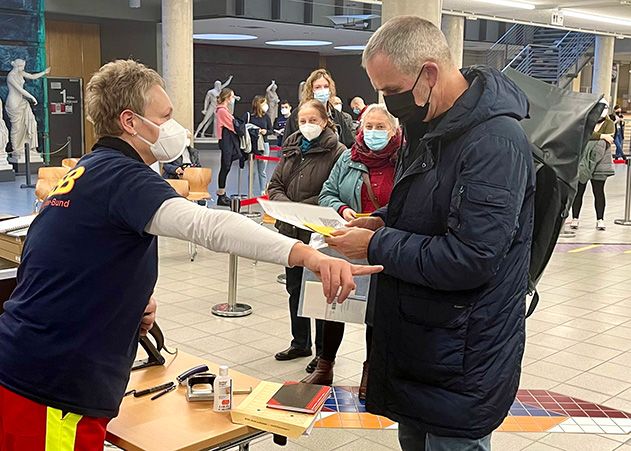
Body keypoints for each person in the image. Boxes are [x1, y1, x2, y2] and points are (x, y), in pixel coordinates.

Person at [0, 60, 381, 451]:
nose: (174, 127)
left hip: (35, 367)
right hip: (51, 387)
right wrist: (308, 256)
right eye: (164, 116)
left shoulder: (88, 170)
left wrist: (125, 300)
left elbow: (62, 259)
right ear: (130, 122)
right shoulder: (124, 177)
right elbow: (209, 226)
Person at [326, 16, 535, 450]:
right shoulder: (431, 129)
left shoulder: (495, 141)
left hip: (462, 357)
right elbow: (432, 205)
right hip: (424, 344)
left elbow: (472, 257)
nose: (388, 103)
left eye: (394, 92)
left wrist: (377, 244)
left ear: (430, 73)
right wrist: (383, 218)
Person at [303, 104, 401, 399]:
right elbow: (328, 193)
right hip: (345, 240)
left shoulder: (404, 160)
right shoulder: (348, 157)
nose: (372, 133)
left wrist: (378, 221)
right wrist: (343, 209)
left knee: (377, 309)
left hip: (381, 243)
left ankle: (371, 369)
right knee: (333, 303)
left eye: (380, 127)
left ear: (394, 130)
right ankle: (325, 363)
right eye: (368, 127)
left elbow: (409, 202)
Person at [268, 99, 346, 372]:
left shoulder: (337, 151)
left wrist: (301, 210)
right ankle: (300, 342)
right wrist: (286, 207)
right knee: (295, 288)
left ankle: (324, 353)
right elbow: (275, 184)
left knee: (319, 292)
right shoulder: (290, 147)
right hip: (289, 231)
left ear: (325, 121)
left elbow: (332, 191)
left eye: (313, 120)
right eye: (303, 121)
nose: (307, 126)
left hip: (318, 233)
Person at [570, 99, 615, 231]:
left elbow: (610, 138)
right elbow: (583, 135)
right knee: (579, 191)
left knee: (599, 192)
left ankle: (600, 219)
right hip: (583, 161)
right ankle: (575, 218)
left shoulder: (609, 123)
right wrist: (602, 136)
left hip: (601, 163)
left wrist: (596, 137)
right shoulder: (587, 121)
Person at [282, 69, 355, 147]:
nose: (322, 90)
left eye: (326, 86)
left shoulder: (336, 115)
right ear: (311, 90)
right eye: (318, 87)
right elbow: (287, 144)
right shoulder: (299, 114)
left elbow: (349, 142)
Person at [215, 88, 242, 206]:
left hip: (227, 140)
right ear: (227, 97)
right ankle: (221, 195)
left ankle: (222, 193)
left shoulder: (224, 110)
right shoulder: (222, 111)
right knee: (225, 166)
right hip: (226, 141)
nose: (233, 98)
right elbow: (232, 125)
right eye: (232, 96)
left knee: (227, 166)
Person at [244, 95, 273, 195]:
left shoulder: (266, 117)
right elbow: (244, 128)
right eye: (264, 103)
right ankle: (250, 191)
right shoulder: (249, 116)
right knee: (252, 171)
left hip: (264, 144)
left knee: (262, 170)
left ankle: (262, 191)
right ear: (258, 104)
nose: (266, 105)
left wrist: (266, 131)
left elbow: (271, 130)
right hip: (252, 145)